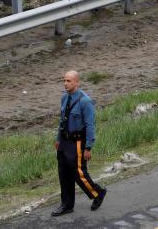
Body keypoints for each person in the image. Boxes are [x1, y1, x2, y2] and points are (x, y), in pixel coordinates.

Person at [53, 70, 106, 216]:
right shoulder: (64, 98)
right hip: (64, 141)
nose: (65, 83)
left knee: (79, 173)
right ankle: (67, 204)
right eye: (64, 80)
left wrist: (88, 147)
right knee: (63, 173)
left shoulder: (85, 101)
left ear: (77, 82)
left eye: (69, 81)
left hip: (77, 142)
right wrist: (58, 139)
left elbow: (90, 126)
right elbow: (62, 121)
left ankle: (98, 193)